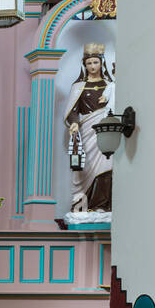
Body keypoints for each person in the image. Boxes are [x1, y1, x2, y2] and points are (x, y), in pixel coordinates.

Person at [64, 43, 115, 212]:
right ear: (84, 65)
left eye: (95, 62)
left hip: (106, 131)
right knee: (85, 167)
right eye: (89, 63)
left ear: (102, 63)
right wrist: (73, 122)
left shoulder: (110, 85)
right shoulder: (78, 87)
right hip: (86, 130)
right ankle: (83, 206)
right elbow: (73, 110)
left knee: (107, 165)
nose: (92, 66)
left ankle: (101, 205)